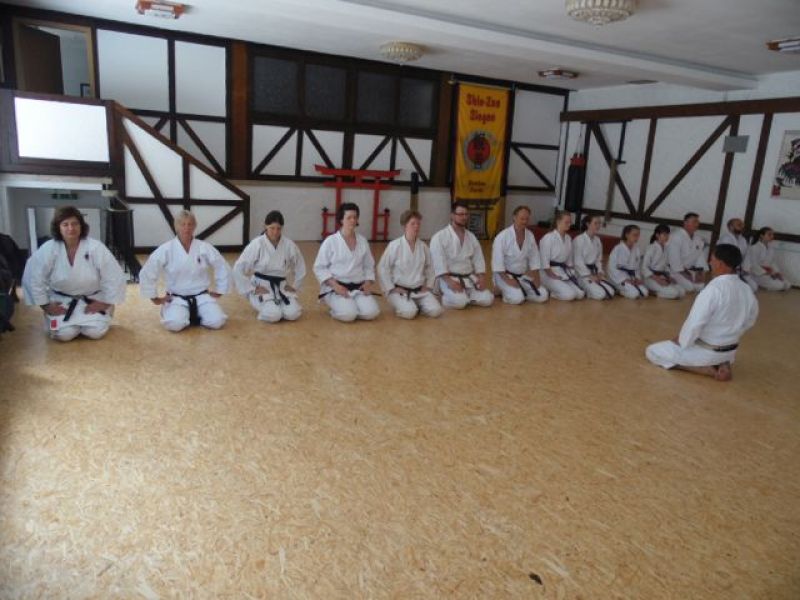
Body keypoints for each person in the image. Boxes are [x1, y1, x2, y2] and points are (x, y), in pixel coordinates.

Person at [646, 244, 758, 382]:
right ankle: (723, 362)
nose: (710, 262)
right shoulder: (746, 289)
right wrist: (731, 334)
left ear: (720, 264)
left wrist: (681, 341)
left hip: (707, 351)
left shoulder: (714, 289)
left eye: (712, 259)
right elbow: (751, 319)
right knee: (700, 340)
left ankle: (707, 369)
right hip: (730, 350)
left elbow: (695, 323)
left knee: (652, 351)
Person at [22, 205, 126, 341]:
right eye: (65, 224)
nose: (71, 228)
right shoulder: (49, 249)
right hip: (61, 301)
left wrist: (105, 303)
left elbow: (113, 275)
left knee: (95, 332)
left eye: (75, 223)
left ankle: (100, 316)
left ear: (81, 226)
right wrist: (46, 305)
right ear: (58, 227)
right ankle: (57, 322)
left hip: (92, 299)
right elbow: (34, 277)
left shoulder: (95, 247)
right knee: (64, 335)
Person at [139, 210, 230, 332]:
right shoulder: (166, 249)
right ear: (176, 226)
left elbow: (221, 265)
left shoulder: (204, 247)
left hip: (201, 296)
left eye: (190, 224)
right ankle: (171, 311)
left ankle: (194, 314)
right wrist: (155, 298)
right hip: (176, 298)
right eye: (183, 224)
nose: (187, 228)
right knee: (175, 325)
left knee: (217, 321)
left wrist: (220, 290)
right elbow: (148, 271)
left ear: (195, 226)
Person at [233, 210, 305, 323]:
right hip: (262, 285)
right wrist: (252, 288)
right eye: (272, 228)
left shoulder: (289, 244)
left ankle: (278, 305)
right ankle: (259, 300)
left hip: (281, 285)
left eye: (278, 228)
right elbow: (238, 268)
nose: (275, 232)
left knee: (293, 313)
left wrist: (295, 286)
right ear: (265, 226)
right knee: (274, 315)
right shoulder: (257, 244)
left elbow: (300, 266)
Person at [313, 202, 380, 322]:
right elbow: (319, 267)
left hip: (358, 288)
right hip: (337, 288)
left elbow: (369, 265)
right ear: (341, 220)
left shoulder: (362, 241)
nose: (352, 220)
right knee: (349, 315)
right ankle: (338, 309)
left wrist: (368, 282)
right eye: (349, 217)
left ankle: (351, 306)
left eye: (355, 217)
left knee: (372, 312)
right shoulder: (331, 241)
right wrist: (335, 286)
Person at [377, 210, 443, 319]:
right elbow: (382, 268)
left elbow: (430, 268)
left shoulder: (423, 247)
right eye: (413, 223)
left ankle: (415, 304)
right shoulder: (395, 245)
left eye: (418, 224)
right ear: (404, 226)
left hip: (419, 290)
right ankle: (407, 306)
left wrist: (429, 286)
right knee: (409, 313)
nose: (416, 226)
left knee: (436, 311)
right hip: (399, 291)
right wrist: (391, 288)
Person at [429, 201, 494, 309]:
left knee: (488, 299)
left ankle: (466, 297)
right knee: (460, 303)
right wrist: (450, 282)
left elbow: (478, 259)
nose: (464, 217)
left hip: (468, 278)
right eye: (460, 214)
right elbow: (438, 263)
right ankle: (444, 297)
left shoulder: (471, 237)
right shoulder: (439, 237)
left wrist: (481, 278)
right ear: (452, 215)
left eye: (466, 214)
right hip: (448, 278)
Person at [491, 206, 549, 304]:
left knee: (543, 295)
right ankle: (502, 289)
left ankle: (515, 292)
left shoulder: (530, 236)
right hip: (503, 276)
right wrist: (508, 280)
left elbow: (534, 259)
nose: (524, 222)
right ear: (514, 217)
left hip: (521, 276)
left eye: (527, 219)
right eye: (522, 219)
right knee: (517, 299)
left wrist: (537, 278)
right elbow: (497, 263)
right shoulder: (502, 237)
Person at [539, 210, 585, 301]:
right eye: (566, 222)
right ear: (558, 222)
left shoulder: (568, 238)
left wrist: (572, 275)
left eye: (570, 222)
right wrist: (553, 275)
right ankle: (552, 292)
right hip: (548, 273)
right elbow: (544, 263)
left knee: (580, 294)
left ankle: (558, 289)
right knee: (570, 295)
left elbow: (569, 262)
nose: (569, 225)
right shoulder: (548, 238)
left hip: (562, 271)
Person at [572, 214, 615, 300]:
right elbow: (578, 262)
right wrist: (589, 275)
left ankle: (590, 288)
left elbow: (598, 260)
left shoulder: (597, 240)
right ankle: (583, 288)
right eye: (596, 223)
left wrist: (599, 272)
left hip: (594, 272)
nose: (598, 226)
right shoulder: (579, 240)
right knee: (600, 295)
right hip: (582, 274)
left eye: (599, 223)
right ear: (588, 224)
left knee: (611, 292)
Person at [667, 212, 708, 293]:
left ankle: (678, 285)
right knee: (690, 287)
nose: (697, 224)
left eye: (697, 222)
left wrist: (700, 273)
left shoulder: (698, 239)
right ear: (685, 223)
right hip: (674, 270)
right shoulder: (676, 236)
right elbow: (674, 261)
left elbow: (700, 258)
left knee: (700, 286)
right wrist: (686, 275)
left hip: (689, 270)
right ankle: (671, 282)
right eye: (694, 221)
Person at [642, 224, 685, 299]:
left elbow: (665, 266)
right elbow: (644, 267)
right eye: (664, 235)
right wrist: (657, 279)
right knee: (674, 293)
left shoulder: (666, 248)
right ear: (657, 235)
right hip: (650, 278)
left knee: (682, 292)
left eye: (668, 234)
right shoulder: (651, 248)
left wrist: (669, 277)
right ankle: (652, 292)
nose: (667, 237)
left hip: (662, 276)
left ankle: (659, 291)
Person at [608, 224, 649, 299]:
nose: (637, 237)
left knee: (644, 293)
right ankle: (618, 289)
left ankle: (625, 289)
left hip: (631, 278)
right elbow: (611, 268)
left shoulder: (636, 249)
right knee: (634, 294)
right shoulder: (618, 249)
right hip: (618, 279)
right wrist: (624, 279)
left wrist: (637, 278)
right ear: (627, 235)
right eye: (634, 235)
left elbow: (637, 268)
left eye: (638, 235)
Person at [718, 218, 758, 293]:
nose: (742, 227)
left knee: (753, 287)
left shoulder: (743, 240)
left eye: (742, 225)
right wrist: (734, 270)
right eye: (739, 225)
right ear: (731, 227)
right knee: (739, 287)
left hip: (739, 270)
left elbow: (746, 257)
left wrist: (745, 269)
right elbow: (726, 258)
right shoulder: (726, 239)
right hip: (727, 270)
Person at [748, 227, 792, 291]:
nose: (772, 236)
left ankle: (768, 283)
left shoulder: (770, 247)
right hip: (758, 274)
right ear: (762, 236)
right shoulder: (754, 247)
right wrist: (767, 273)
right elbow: (753, 265)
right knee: (780, 285)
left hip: (769, 272)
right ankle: (759, 283)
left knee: (787, 284)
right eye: (769, 234)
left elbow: (772, 262)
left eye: (772, 235)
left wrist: (777, 273)